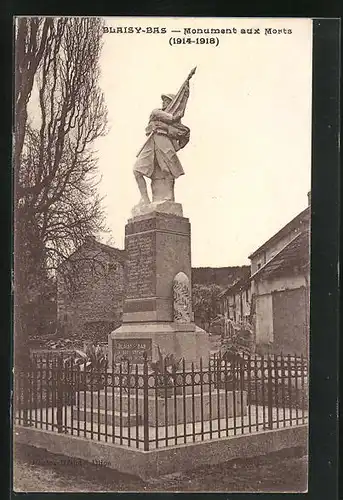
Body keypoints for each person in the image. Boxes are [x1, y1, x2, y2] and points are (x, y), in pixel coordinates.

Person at [133, 87, 190, 205]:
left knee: (166, 171)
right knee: (137, 170)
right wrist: (171, 120)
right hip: (151, 143)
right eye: (164, 101)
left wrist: (166, 128)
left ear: (173, 104)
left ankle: (169, 196)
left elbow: (184, 133)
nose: (164, 103)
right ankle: (145, 198)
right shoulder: (156, 112)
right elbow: (154, 118)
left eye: (167, 101)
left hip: (163, 142)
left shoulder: (175, 124)